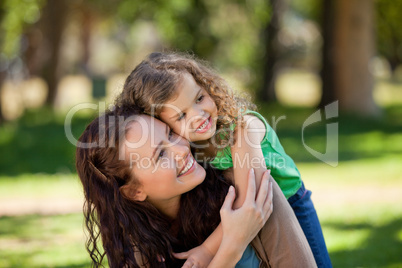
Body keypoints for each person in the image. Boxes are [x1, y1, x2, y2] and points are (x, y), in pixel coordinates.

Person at [118, 52, 331, 267]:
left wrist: (207, 250)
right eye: (181, 115)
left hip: (289, 202)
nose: (199, 115)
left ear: (207, 86)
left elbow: (249, 198)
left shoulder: (241, 129)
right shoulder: (184, 145)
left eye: (199, 98)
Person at [76, 104, 316, 267]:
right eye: (161, 155)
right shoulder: (137, 245)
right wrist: (232, 245)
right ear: (134, 191)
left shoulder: (246, 192)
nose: (181, 149)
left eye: (170, 134)